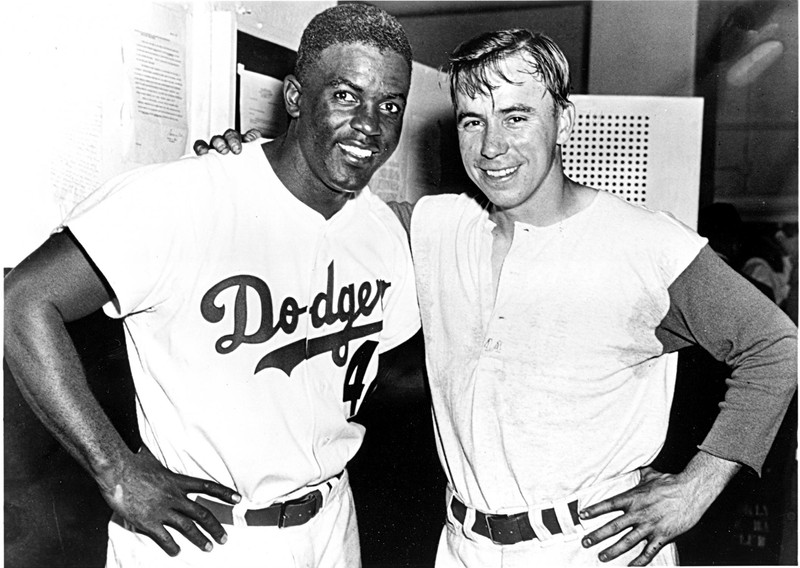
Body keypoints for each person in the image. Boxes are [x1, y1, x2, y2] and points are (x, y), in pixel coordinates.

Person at [205, 27, 797, 567]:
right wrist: (250, 162)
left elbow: (776, 348)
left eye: (516, 117)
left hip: (589, 549)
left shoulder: (646, 244)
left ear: (563, 122)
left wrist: (696, 488)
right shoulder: (435, 226)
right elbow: (318, 207)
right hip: (464, 547)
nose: (492, 147)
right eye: (472, 120)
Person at [3, 4, 420, 567]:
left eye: (389, 105)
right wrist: (115, 469)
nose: (369, 125)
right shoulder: (186, 198)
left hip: (329, 528)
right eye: (346, 96)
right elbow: (23, 300)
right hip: (204, 538)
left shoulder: (381, 233)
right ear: (295, 97)